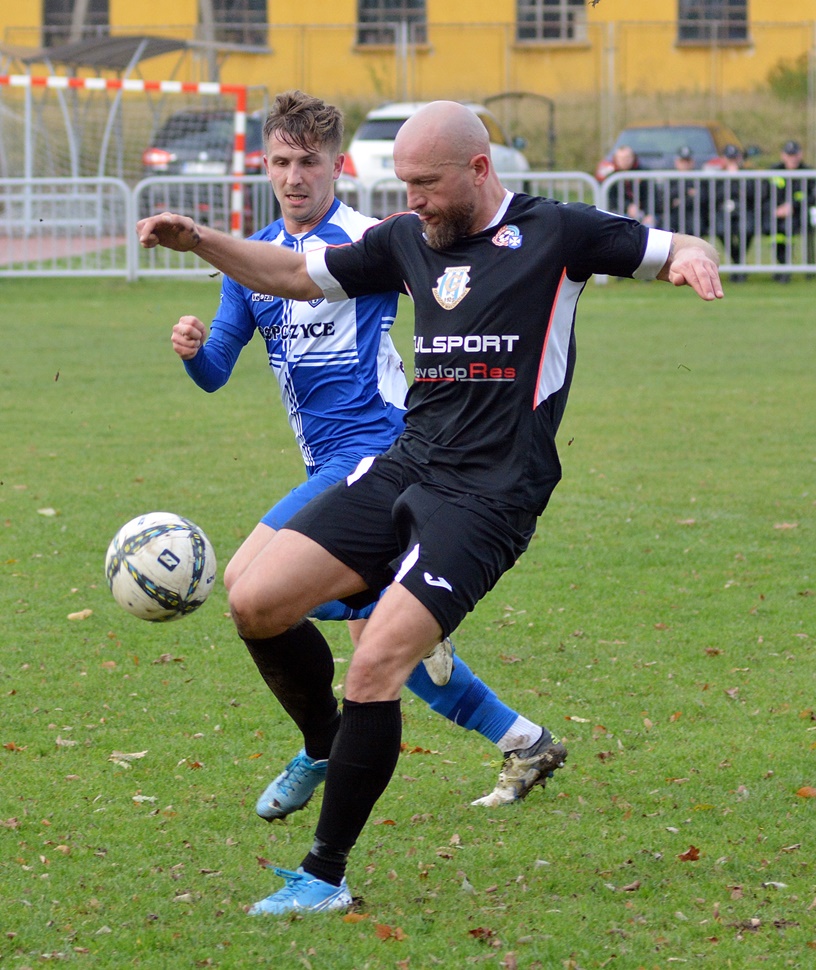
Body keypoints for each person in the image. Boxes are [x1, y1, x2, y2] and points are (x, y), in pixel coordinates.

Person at [138, 100, 723, 916]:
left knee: (378, 659)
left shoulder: (557, 233)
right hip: (404, 461)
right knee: (255, 601)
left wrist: (692, 260)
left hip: (491, 495)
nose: (408, 198)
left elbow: (674, 245)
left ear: (478, 171)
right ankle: (327, 747)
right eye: (401, 183)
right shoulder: (406, 241)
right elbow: (288, 274)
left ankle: (324, 875)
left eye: (424, 183)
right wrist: (199, 241)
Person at [171, 91, 565, 816]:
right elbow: (218, 368)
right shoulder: (253, 259)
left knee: (250, 584)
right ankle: (523, 740)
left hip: (382, 443)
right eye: (282, 162)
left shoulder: (373, 238)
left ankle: (324, 742)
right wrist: (194, 350)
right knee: (379, 646)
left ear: (337, 165)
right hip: (324, 458)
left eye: (309, 163)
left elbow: (448, 279)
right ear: (266, 165)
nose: (295, 178)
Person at [768, 139, 816, 282]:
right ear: (783, 155)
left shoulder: (808, 172)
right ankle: (784, 266)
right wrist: (775, 209)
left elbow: (813, 196)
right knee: (774, 230)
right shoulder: (774, 170)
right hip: (776, 214)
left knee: (788, 228)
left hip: (800, 214)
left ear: (800, 155)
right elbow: (765, 195)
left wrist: (792, 207)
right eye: (789, 155)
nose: (792, 158)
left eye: (795, 154)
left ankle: (785, 269)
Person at [716, 144, 756, 281]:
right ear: (724, 159)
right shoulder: (718, 176)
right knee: (721, 230)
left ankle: (737, 264)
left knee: (748, 229)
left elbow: (752, 194)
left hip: (744, 211)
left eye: (735, 158)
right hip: (723, 212)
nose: (732, 161)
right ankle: (739, 262)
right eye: (730, 158)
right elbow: (716, 195)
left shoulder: (748, 174)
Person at [605, 144, 654, 225]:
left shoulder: (644, 174)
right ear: (616, 159)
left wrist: (648, 213)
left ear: (633, 157)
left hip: (644, 214)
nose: (624, 161)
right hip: (620, 214)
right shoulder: (611, 178)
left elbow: (652, 195)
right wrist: (627, 207)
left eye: (627, 157)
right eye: (621, 158)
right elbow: (610, 199)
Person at [667, 145, 704, 237]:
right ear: (676, 162)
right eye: (682, 161)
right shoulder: (670, 177)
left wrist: (681, 201)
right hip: (673, 214)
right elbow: (666, 198)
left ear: (692, 162)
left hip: (693, 214)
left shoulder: (699, 178)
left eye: (688, 161)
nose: (685, 164)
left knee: (695, 226)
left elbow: (702, 198)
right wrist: (688, 192)